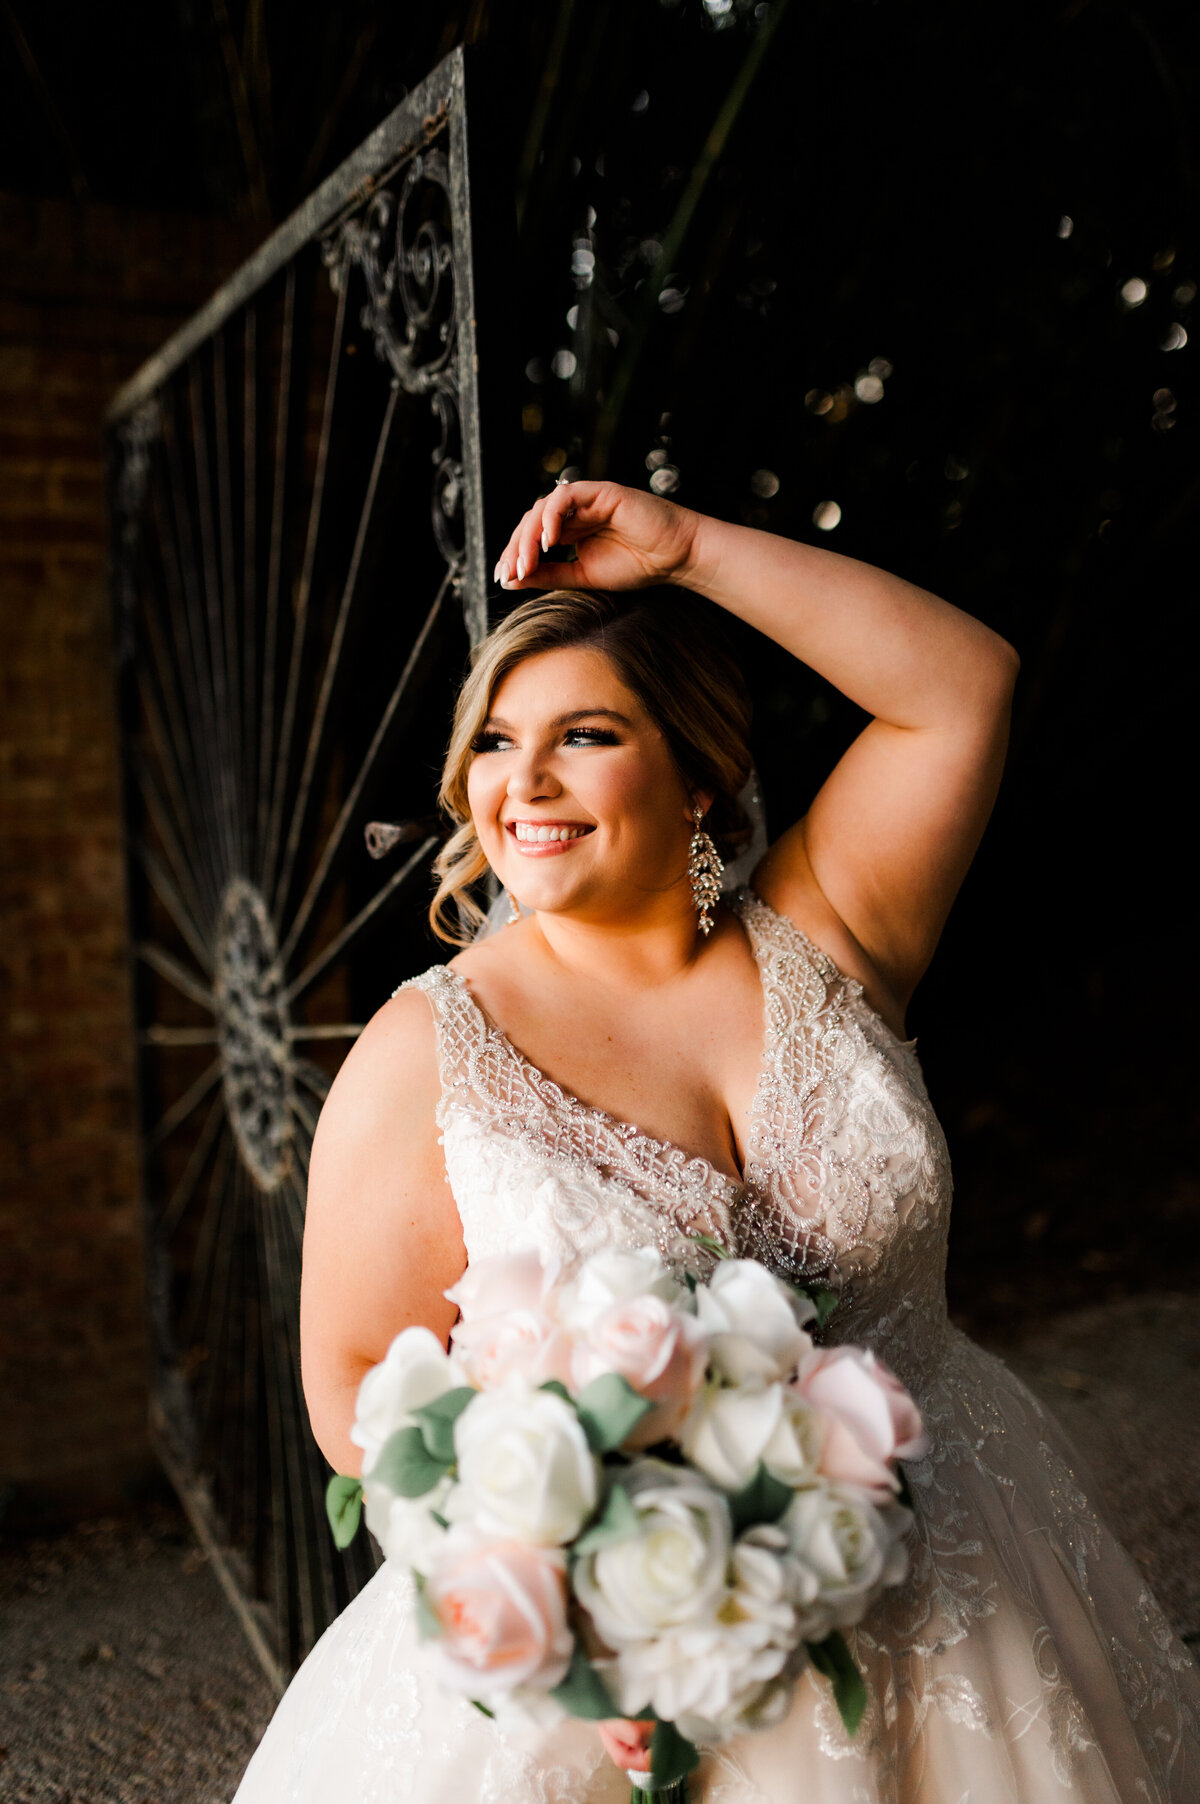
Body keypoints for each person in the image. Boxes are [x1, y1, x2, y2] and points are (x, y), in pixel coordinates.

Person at [233, 482, 1199, 1802]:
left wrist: (687, 550)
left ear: (698, 775)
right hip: (622, 1650)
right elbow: (353, 1385)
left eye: (583, 735)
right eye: (497, 744)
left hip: (962, 1589)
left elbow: (965, 683)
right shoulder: (426, 1054)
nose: (526, 784)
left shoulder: (833, 930)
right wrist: (574, 1620)